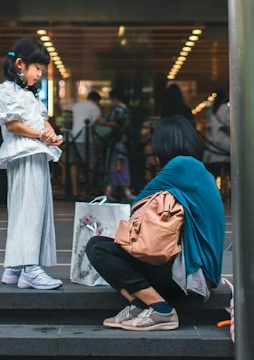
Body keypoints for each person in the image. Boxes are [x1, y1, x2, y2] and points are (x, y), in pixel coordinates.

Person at [86, 115, 225, 333]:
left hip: (188, 279)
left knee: (98, 248)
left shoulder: (181, 165)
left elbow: (137, 205)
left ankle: (160, 309)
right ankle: (142, 303)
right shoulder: (200, 170)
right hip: (198, 277)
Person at [0, 36, 63, 291]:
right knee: (29, 210)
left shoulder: (28, 95)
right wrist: (41, 135)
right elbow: (12, 124)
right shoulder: (6, 91)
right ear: (21, 64)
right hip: (24, 155)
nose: (39, 75)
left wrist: (50, 134)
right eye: (37, 69)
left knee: (30, 208)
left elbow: (41, 121)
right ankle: (30, 268)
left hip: (34, 154)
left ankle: (14, 268)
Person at [99, 85, 133, 202]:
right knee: (121, 165)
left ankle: (109, 191)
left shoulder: (118, 108)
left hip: (117, 140)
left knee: (114, 165)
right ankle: (123, 192)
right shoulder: (125, 108)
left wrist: (102, 122)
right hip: (123, 140)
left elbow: (115, 123)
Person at [69, 89, 101, 194]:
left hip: (71, 136)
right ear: (97, 100)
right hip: (84, 138)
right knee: (91, 162)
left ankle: (74, 190)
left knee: (74, 163)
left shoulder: (76, 105)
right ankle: (88, 189)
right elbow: (98, 122)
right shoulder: (95, 108)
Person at [203, 90, 231, 197]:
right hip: (224, 143)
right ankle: (230, 192)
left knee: (213, 172)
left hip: (212, 144)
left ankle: (211, 193)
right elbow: (229, 123)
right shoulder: (225, 108)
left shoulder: (211, 110)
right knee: (229, 170)